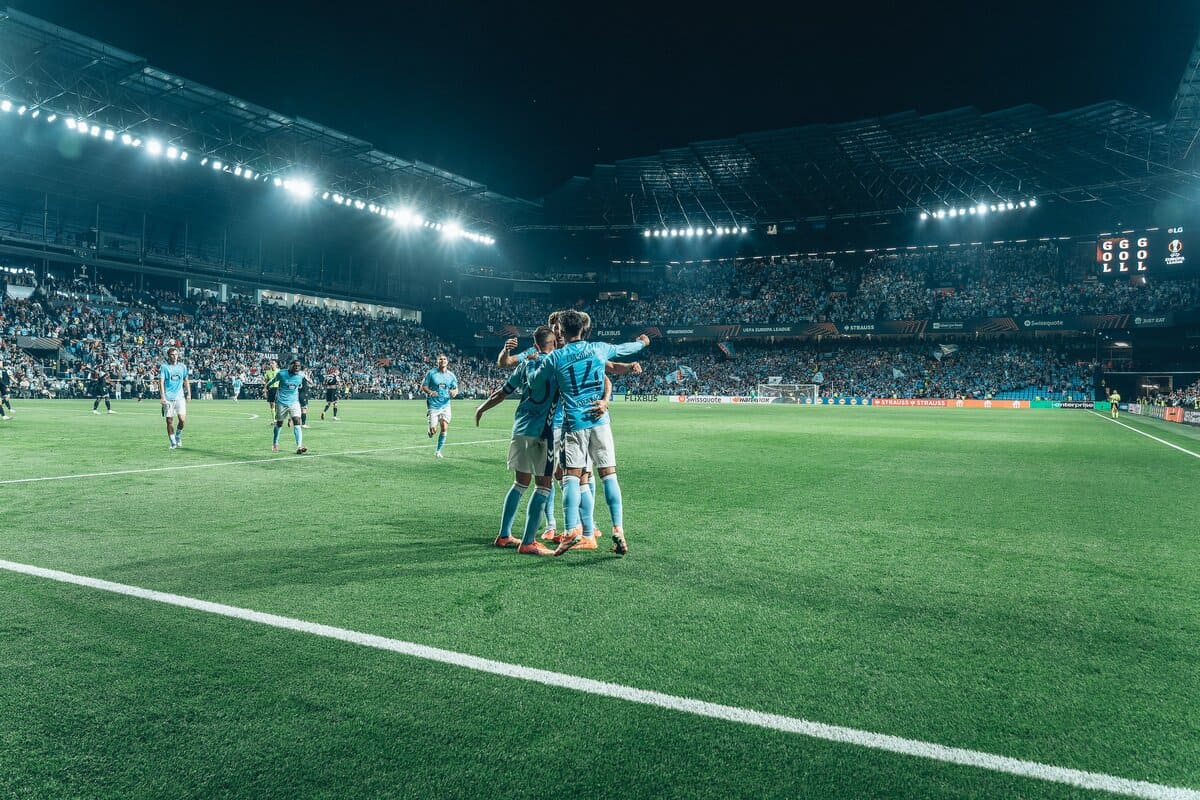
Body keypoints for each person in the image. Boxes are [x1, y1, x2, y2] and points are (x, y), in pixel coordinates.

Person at [526, 309, 649, 556]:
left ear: (561, 330)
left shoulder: (556, 357)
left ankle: (571, 530)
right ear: (582, 328)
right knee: (608, 474)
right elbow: (625, 349)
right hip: (601, 420)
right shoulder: (599, 348)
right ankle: (618, 528)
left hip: (574, 423)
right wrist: (642, 342)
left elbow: (534, 383)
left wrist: (534, 364)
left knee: (571, 477)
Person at [474, 325, 558, 556]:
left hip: (519, 429)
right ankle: (529, 541)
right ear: (552, 344)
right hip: (542, 432)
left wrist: (482, 408)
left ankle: (504, 535)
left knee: (520, 483)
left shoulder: (525, 364)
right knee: (544, 486)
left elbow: (502, 392)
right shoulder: (555, 364)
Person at [265, 359, 309, 454]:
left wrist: (310, 382)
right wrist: (267, 386)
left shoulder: (301, 375)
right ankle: (275, 443)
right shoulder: (282, 374)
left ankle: (299, 446)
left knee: (297, 421)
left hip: (294, 402)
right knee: (279, 423)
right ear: (290, 365)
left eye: (298, 366)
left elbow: (306, 379)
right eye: (295, 365)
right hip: (281, 402)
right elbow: (273, 380)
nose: (297, 367)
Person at [422, 354, 458, 458]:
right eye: (440, 359)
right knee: (433, 431)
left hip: (445, 405)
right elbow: (424, 386)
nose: (442, 360)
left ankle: (438, 451)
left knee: (444, 427)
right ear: (437, 361)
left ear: (447, 361)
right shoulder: (431, 373)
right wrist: (430, 392)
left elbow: (455, 388)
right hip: (433, 404)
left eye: (444, 359)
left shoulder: (451, 375)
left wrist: (454, 392)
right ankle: (430, 428)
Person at [159, 347, 190, 450]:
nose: (175, 356)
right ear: (169, 356)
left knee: (182, 420)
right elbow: (161, 382)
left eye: (176, 354)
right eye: (172, 354)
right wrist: (162, 396)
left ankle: (177, 435)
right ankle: (173, 442)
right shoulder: (164, 367)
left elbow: (186, 380)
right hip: (168, 398)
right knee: (169, 421)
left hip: (180, 397)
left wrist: (188, 393)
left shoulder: (182, 367)